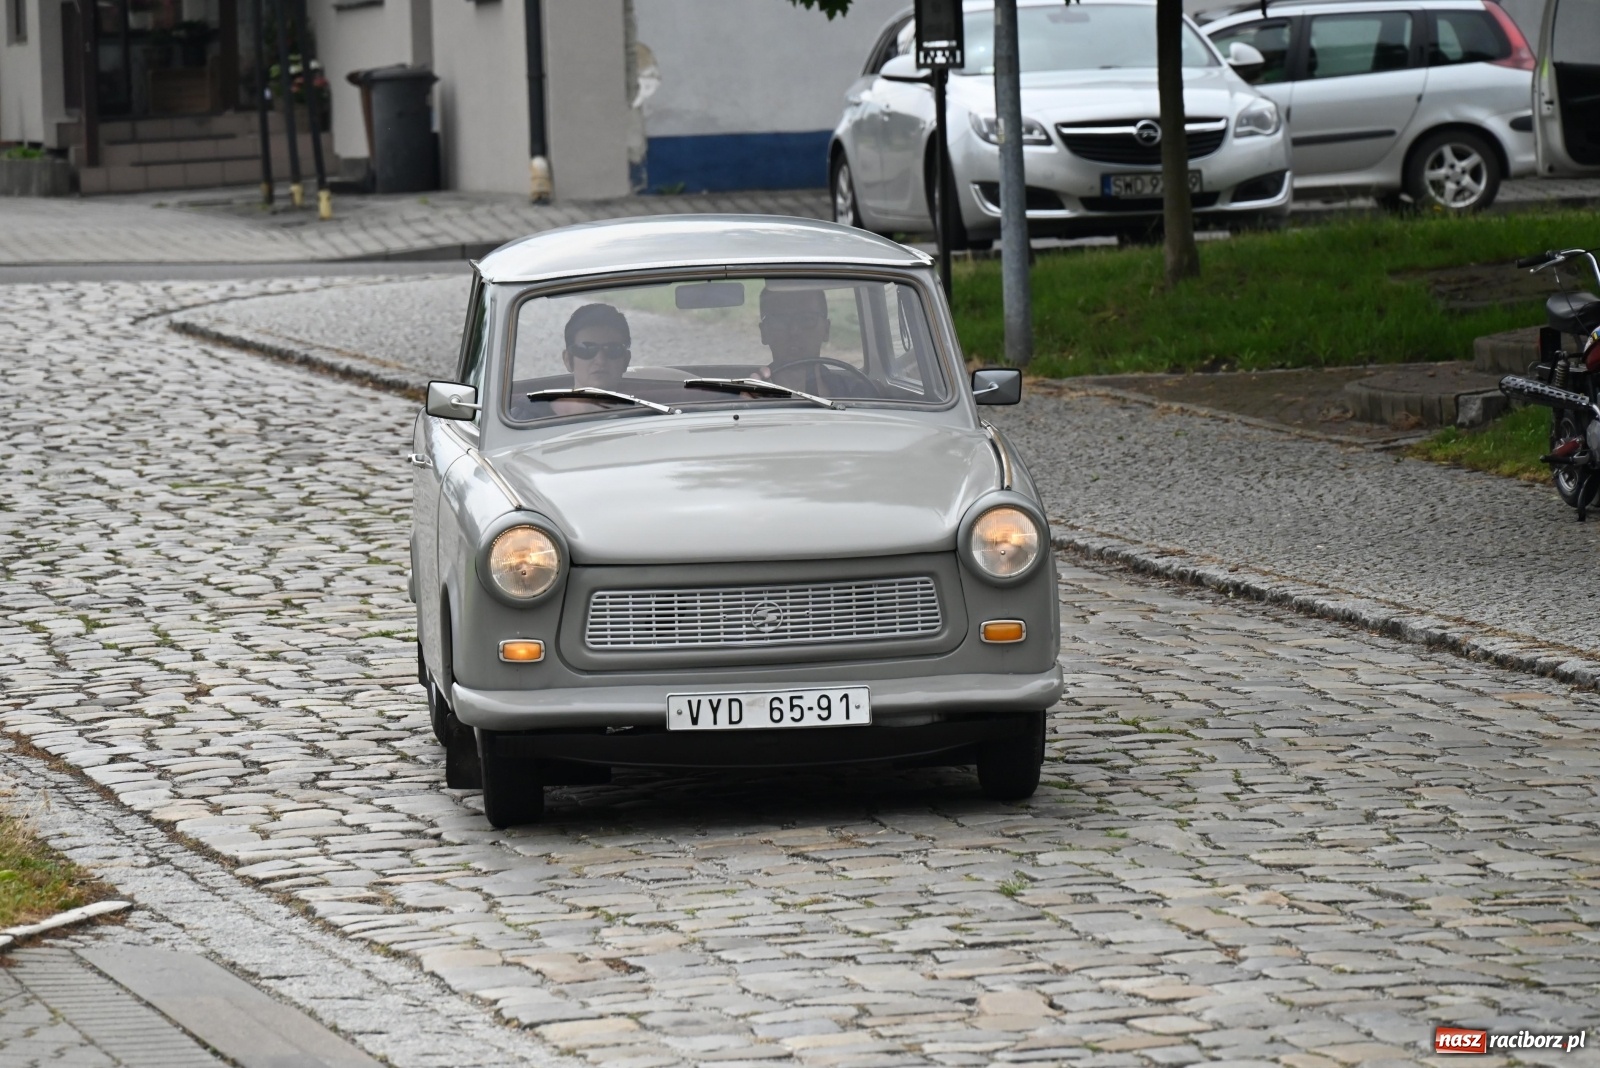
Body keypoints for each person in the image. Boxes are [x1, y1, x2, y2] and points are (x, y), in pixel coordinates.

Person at [552, 303, 632, 415]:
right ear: (568, 359)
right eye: (587, 349)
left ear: (626, 360)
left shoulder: (645, 418)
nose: (600, 360)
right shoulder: (529, 417)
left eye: (612, 350)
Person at [755, 286, 832, 392]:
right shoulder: (746, 396)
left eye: (806, 319)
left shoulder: (851, 392)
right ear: (764, 332)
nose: (794, 331)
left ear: (826, 330)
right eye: (780, 320)